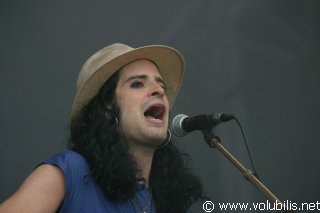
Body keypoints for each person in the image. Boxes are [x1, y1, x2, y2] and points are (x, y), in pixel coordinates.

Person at [0, 43, 204, 212]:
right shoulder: (70, 172)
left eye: (161, 86)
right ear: (107, 106)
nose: (159, 90)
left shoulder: (166, 200)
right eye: (138, 84)